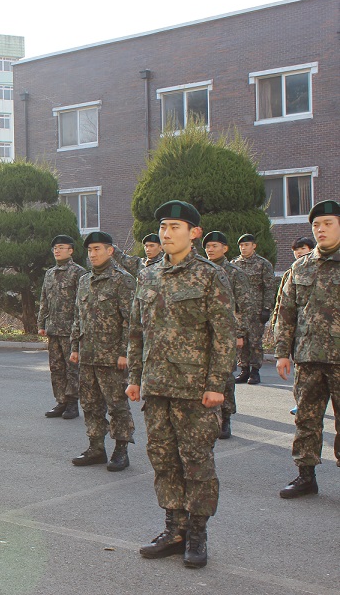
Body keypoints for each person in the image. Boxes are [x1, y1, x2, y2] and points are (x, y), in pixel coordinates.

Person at [126, 200, 235, 569]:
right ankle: (174, 529)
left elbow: (224, 333)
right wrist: (134, 378)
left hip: (194, 388)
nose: (167, 233)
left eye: (175, 226)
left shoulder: (209, 275)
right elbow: (136, 330)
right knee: (163, 458)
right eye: (164, 227)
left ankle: (197, 533)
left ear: (194, 233)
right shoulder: (148, 275)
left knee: (196, 462)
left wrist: (217, 384)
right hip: (156, 385)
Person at [275, 200, 340, 500]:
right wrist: (281, 353)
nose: (321, 230)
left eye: (327, 223)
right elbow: (286, 312)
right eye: (316, 225)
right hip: (308, 357)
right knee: (306, 420)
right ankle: (305, 476)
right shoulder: (300, 266)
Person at [69, 232, 136, 471]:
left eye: (97, 249)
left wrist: (124, 352)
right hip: (87, 355)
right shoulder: (84, 281)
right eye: (89, 250)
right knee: (90, 404)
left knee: (117, 405)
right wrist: (75, 347)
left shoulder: (123, 280)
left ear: (110, 250)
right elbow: (78, 317)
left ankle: (121, 449)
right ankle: (96, 448)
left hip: (112, 358)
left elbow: (131, 321)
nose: (93, 254)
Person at [201, 231, 251, 439]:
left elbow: (244, 305)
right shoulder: (201, 270)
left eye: (214, 246)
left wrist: (239, 334)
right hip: (204, 333)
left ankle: (226, 416)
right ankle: (207, 417)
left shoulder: (234, 272)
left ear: (225, 248)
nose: (210, 250)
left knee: (225, 377)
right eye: (208, 247)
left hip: (227, 333)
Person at [37, 235, 86, 419]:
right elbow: (44, 299)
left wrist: (79, 327)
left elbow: (82, 303)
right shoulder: (50, 273)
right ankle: (61, 401)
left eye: (61, 247)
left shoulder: (78, 273)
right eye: (55, 248)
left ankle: (72, 403)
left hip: (70, 330)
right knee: (56, 367)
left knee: (71, 368)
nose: (57, 250)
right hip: (53, 329)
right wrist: (41, 323)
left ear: (71, 250)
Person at [272, 237, 317, 416]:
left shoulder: (319, 270)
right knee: (301, 373)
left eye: (302, 248)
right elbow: (282, 305)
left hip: (320, 335)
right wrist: (276, 325)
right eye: (295, 250)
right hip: (298, 334)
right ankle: (300, 402)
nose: (298, 253)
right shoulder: (292, 272)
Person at [231, 233, 277, 385]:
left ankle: (255, 371)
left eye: (246, 245)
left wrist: (266, 308)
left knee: (255, 342)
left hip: (256, 310)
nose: (243, 248)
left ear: (254, 246)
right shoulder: (235, 263)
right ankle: (244, 369)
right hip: (239, 311)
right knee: (241, 341)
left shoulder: (263, 264)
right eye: (241, 246)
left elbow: (269, 287)